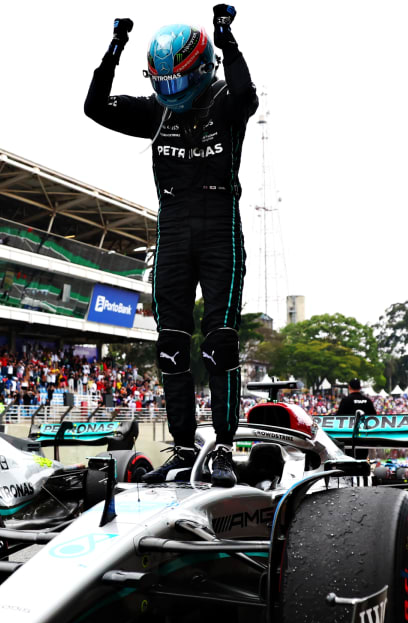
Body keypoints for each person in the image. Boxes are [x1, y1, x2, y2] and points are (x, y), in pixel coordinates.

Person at [86, 5, 258, 487]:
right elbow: (95, 106)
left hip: (220, 220)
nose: (172, 92)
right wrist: (114, 48)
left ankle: (223, 446)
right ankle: (183, 449)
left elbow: (248, 97)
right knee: (171, 346)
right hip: (173, 226)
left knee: (221, 342)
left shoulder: (225, 100)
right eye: (163, 82)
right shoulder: (156, 110)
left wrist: (228, 40)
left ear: (202, 69)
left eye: (180, 81)